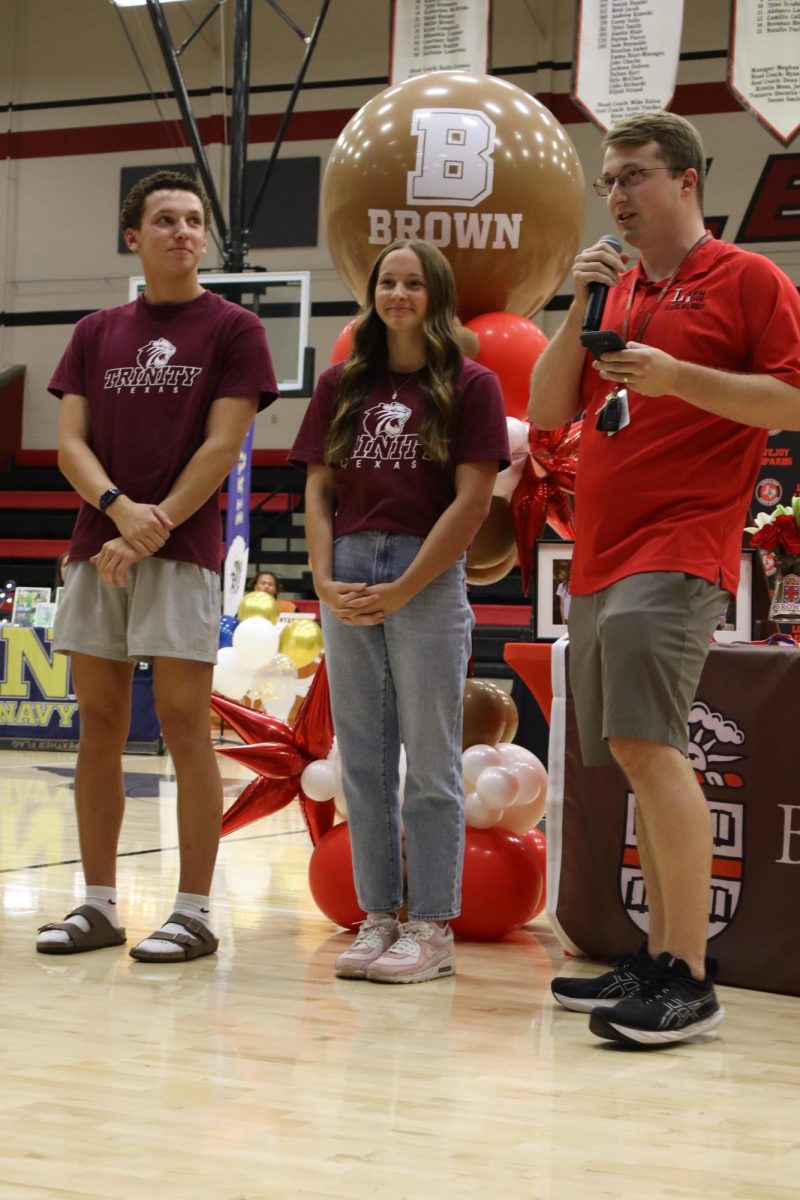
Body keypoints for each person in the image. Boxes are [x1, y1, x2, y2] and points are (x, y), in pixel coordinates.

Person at [529, 112, 800, 1046]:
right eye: (606, 181)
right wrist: (578, 306)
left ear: (685, 180)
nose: (615, 196)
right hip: (601, 553)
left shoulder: (750, 278)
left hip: (679, 547)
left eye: (632, 176)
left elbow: (794, 394)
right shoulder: (620, 285)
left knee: (651, 749)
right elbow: (545, 407)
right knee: (629, 759)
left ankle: (689, 976)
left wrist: (679, 378)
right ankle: (656, 954)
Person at [37, 170, 278, 962]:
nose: (183, 231)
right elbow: (70, 444)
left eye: (194, 219)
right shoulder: (94, 331)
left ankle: (196, 911)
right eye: (165, 220)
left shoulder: (235, 328)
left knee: (182, 725)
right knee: (99, 726)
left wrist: (154, 524)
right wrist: (118, 509)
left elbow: (222, 446)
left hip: (181, 551)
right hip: (96, 545)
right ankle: (99, 904)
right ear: (133, 237)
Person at [291, 239, 509, 984]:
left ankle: (431, 926)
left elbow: (473, 500)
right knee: (365, 760)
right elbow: (319, 490)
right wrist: (321, 574)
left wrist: (409, 584)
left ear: (436, 295)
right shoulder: (342, 383)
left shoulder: (471, 383)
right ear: (373, 293)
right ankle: (377, 917)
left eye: (414, 282)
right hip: (348, 569)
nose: (399, 293)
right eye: (388, 280)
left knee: (432, 760)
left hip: (427, 573)